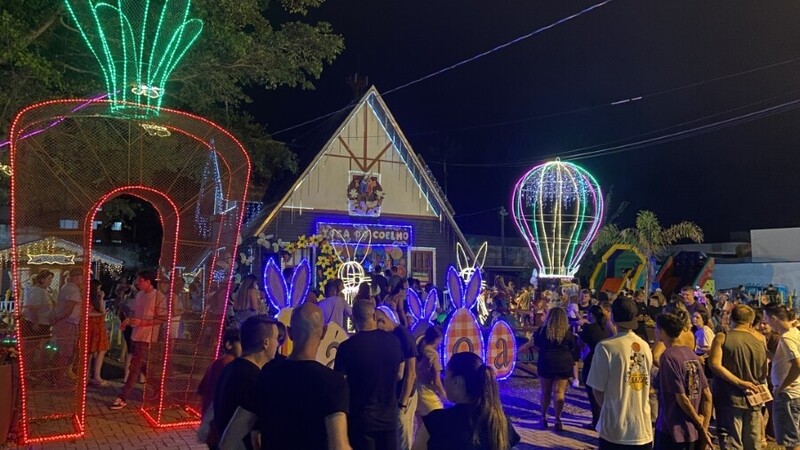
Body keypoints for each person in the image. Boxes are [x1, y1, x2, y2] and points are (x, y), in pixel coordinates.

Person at [246, 303, 351, 449]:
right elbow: (338, 445)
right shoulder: (333, 382)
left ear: (289, 332)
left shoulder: (268, 373)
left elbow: (250, 433)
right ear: (324, 332)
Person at [412, 351, 520, 450]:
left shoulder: (437, 422)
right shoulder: (499, 420)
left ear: (456, 381)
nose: (444, 380)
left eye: (446, 375)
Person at [335, 300, 404, 450]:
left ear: (353, 320)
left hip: (361, 420)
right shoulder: (393, 341)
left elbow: (340, 383)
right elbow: (400, 374)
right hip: (389, 419)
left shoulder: (347, 347)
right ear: (373, 316)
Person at [587, 297, 654, 449]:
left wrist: (610, 408)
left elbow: (597, 389)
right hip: (642, 428)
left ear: (612, 316)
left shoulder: (605, 347)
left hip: (615, 430)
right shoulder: (644, 346)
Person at [708, 304, 768, 450]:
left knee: (731, 442)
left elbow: (715, 365)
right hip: (753, 398)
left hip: (729, 399)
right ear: (751, 321)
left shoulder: (722, 337)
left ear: (731, 318)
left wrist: (740, 382)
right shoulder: (761, 340)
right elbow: (764, 371)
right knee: (753, 442)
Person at [216, 316, 279, 450]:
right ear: (266, 343)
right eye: (276, 339)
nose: (278, 344)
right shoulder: (255, 379)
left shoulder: (228, 369)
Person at [654, 312, 713, 450]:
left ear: (661, 331)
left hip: (672, 430)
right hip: (693, 432)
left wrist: (700, 424)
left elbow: (681, 397)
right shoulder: (691, 354)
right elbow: (707, 395)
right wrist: (703, 428)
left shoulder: (668, 357)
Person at [110, 270, 167, 410]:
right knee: (142, 365)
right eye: (137, 280)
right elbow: (135, 314)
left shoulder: (159, 297)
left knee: (134, 366)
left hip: (148, 336)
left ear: (149, 282)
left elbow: (163, 318)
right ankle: (160, 389)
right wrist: (127, 321)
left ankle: (123, 396)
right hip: (136, 334)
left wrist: (143, 323)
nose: (137, 282)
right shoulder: (140, 295)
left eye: (140, 280)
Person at [519, 307, 578, 431]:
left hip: (546, 362)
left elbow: (534, 345)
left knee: (545, 392)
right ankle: (557, 419)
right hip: (563, 363)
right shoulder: (568, 332)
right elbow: (573, 349)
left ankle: (543, 418)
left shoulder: (542, 331)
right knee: (559, 392)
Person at [376, 308, 418, 449]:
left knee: (403, 438)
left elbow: (411, 373)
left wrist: (403, 403)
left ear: (383, 321)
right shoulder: (392, 336)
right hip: (396, 395)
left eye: (377, 327)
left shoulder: (403, 335)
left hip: (405, 395)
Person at [764, 305, 800, 450]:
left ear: (773, 318)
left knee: (791, 441)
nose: (765, 322)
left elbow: (797, 365)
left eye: (766, 319)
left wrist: (782, 387)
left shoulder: (786, 338)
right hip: (794, 393)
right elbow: (784, 361)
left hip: (788, 395)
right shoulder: (795, 333)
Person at [197, 328, 241, 419]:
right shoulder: (229, 366)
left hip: (209, 415)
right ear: (229, 345)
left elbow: (201, 390)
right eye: (241, 343)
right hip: (217, 417)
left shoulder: (217, 363)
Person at [579, 305, 609, 429]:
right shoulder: (605, 328)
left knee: (592, 393)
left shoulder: (588, 328)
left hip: (592, 360)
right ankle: (604, 419)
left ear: (591, 315)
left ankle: (596, 421)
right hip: (605, 360)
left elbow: (580, 343)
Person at [51, 269, 84, 379]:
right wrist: (58, 319)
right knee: (66, 352)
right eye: (81, 277)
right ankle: (60, 377)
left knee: (62, 351)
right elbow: (68, 310)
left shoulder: (65, 287)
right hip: (68, 324)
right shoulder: (73, 291)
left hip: (63, 323)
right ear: (76, 277)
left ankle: (57, 375)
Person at [20, 270, 54, 375]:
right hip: (37, 323)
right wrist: (36, 322)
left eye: (51, 279)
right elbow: (34, 308)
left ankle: (37, 370)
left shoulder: (44, 291)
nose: (50, 281)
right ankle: (28, 371)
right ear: (42, 279)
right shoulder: (36, 291)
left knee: (40, 347)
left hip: (44, 323)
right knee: (32, 348)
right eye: (49, 279)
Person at [415, 326, 447, 418]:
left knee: (423, 428)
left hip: (417, 392)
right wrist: (444, 396)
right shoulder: (433, 354)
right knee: (439, 420)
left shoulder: (421, 348)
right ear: (437, 339)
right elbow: (437, 381)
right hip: (427, 393)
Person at [87, 279, 110, 386]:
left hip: (98, 326)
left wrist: (101, 299)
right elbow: (87, 313)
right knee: (90, 352)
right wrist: (100, 314)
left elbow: (101, 310)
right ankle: (91, 376)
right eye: (98, 288)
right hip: (92, 326)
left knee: (100, 349)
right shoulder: (87, 298)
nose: (99, 290)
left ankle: (95, 375)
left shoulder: (96, 298)